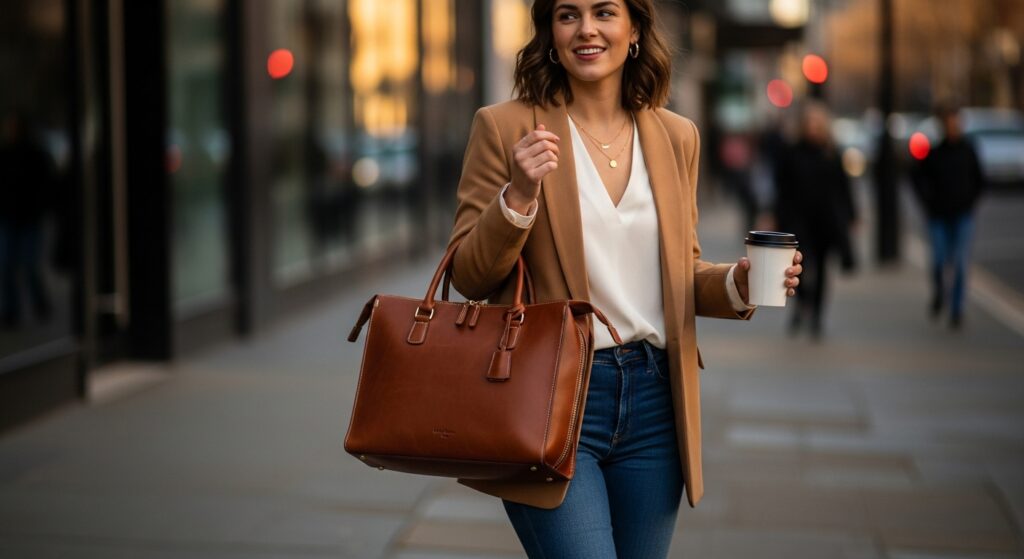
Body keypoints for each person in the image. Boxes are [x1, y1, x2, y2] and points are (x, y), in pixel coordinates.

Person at [445, 1, 803, 556]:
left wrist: (740, 281)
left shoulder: (676, 136)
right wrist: (517, 196)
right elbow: (469, 274)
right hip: (552, 397)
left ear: (634, 29)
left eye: (604, 12)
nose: (586, 29)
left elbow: (681, 270)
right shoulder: (506, 127)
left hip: (655, 405)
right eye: (568, 15)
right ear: (550, 33)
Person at [773, 101, 856, 339]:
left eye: (817, 124)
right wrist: (775, 215)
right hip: (798, 220)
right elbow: (781, 187)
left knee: (821, 270)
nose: (813, 128)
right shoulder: (791, 152)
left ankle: (817, 315)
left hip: (826, 221)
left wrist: (852, 215)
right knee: (799, 266)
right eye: (809, 123)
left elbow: (843, 187)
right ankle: (802, 303)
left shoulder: (832, 153)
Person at [911, 105, 985, 329]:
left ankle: (956, 309)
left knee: (960, 262)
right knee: (939, 259)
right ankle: (940, 292)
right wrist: (928, 202)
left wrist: (970, 201)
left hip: (962, 215)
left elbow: (980, 179)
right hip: (939, 216)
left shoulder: (968, 150)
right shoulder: (935, 152)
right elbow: (916, 176)